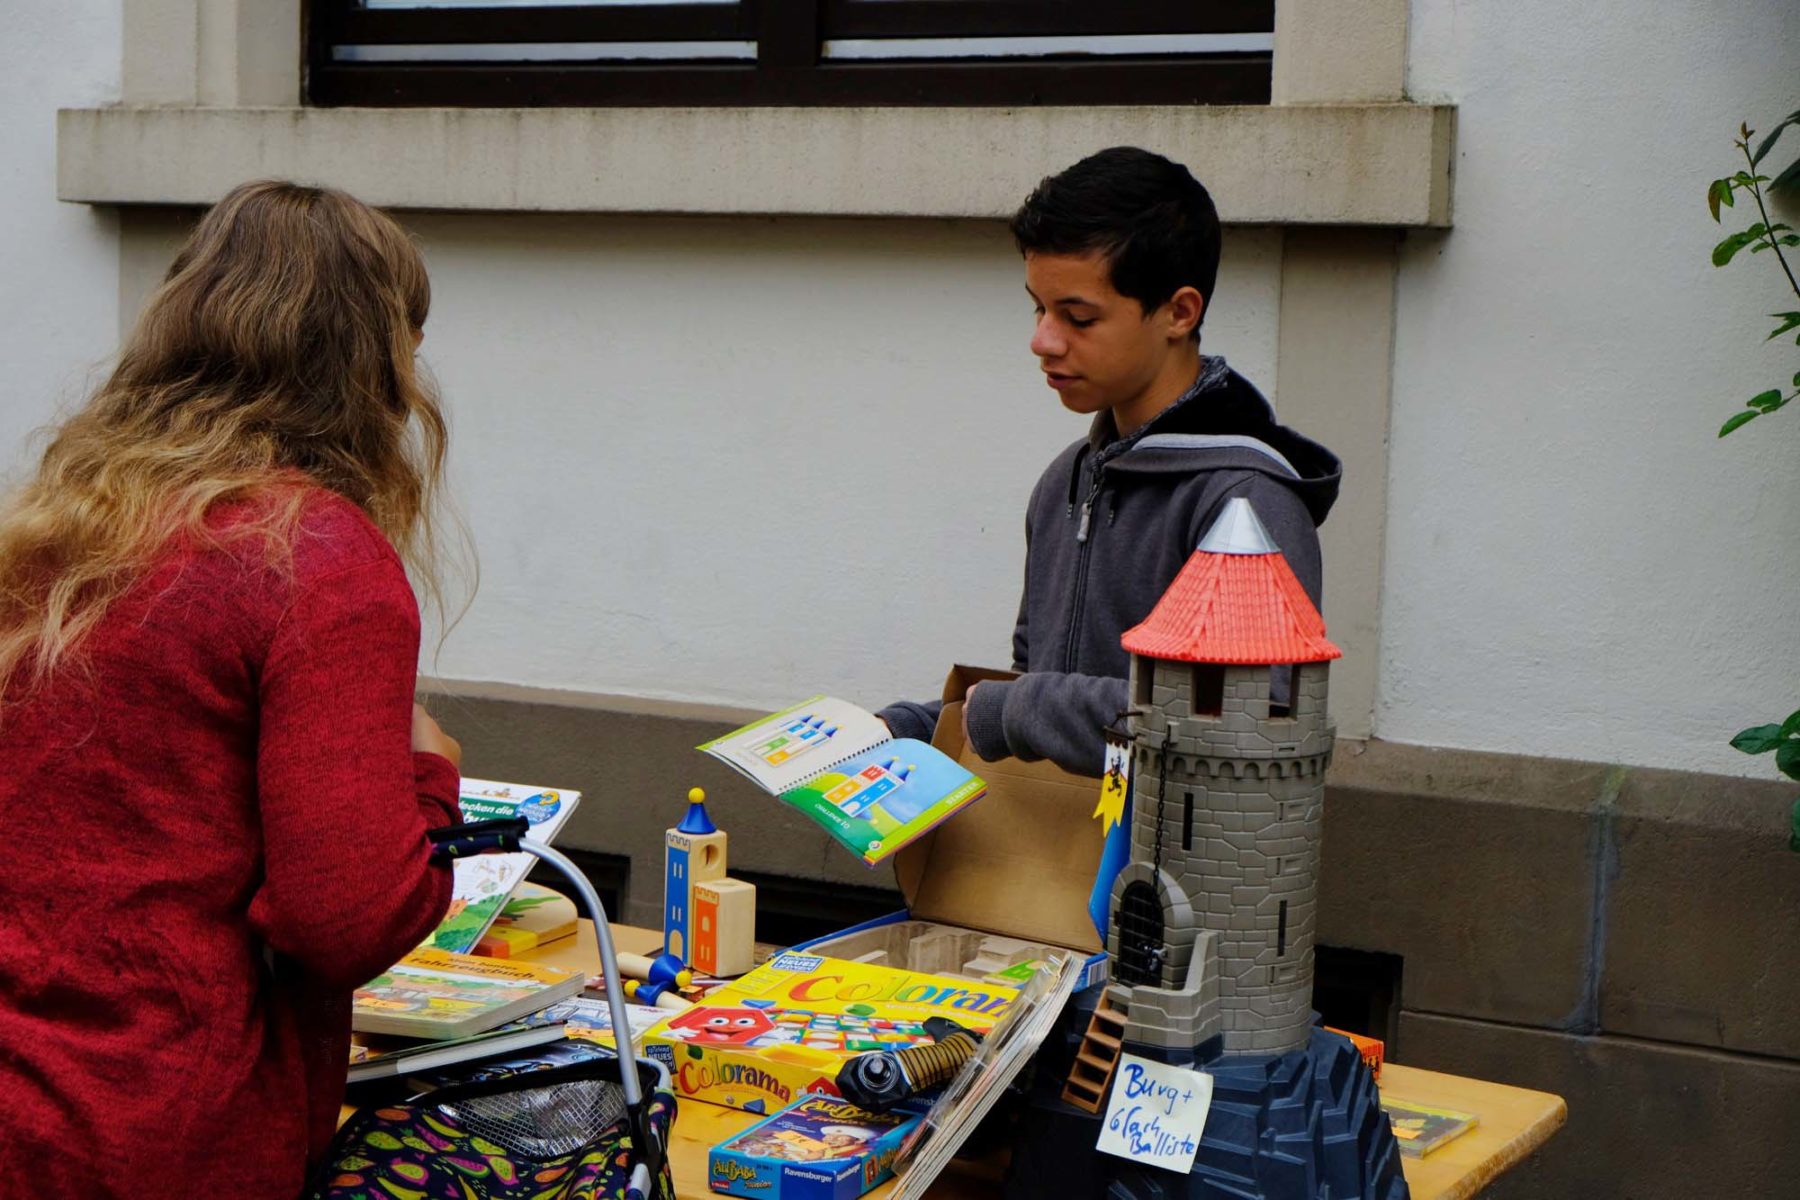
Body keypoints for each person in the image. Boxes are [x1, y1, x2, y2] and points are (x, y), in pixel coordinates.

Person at [0, 181, 467, 1197]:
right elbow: (346, 918)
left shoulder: (58, 522)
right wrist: (430, 780)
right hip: (162, 1129)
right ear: (379, 366)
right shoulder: (315, 558)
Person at [878, 147, 1341, 776]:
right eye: (1039, 307)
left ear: (1179, 312)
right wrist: (910, 729)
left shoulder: (1246, 504)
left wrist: (1015, 711)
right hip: (1054, 840)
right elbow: (1035, 693)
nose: (1042, 340)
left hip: (1179, 843)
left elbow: (1243, 720)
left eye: (1078, 317)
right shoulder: (1064, 481)